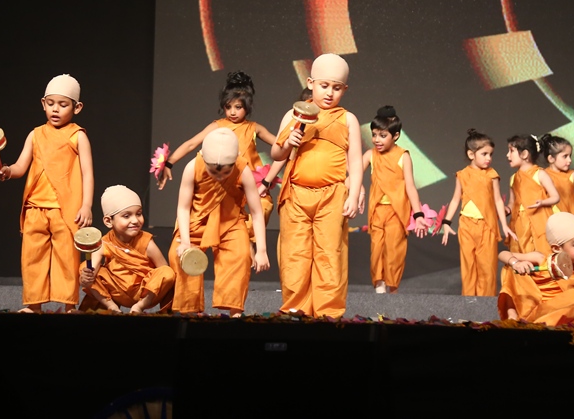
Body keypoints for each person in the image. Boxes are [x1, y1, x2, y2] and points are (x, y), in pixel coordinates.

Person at [0, 74, 95, 313]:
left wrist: (86, 205)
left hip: (64, 210)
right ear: (43, 104)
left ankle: (68, 305)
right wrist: (6, 171)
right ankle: (34, 305)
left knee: (67, 259)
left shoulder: (78, 136)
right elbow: (20, 167)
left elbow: (88, 173)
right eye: (51, 103)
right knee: (32, 258)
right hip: (35, 208)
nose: (55, 109)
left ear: (77, 107)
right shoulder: (36, 134)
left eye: (63, 104)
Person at [271, 53, 362, 318]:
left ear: (344, 89)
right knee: (295, 254)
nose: (330, 93)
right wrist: (288, 143)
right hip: (296, 194)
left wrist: (353, 195)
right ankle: (295, 309)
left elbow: (356, 162)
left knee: (329, 254)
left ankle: (328, 313)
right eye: (324, 86)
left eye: (337, 88)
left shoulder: (348, 119)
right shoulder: (294, 114)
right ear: (310, 83)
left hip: (332, 196)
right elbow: (276, 153)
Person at [156, 70, 285, 244]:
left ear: (247, 107)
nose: (232, 112)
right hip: (225, 181)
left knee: (264, 207)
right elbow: (191, 144)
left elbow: (281, 147)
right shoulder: (218, 125)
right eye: (228, 107)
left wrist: (292, 142)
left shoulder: (254, 128)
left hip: (250, 181)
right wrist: (169, 163)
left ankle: (248, 242)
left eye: (238, 107)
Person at [168, 127, 270, 315]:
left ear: (235, 159)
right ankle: (188, 313)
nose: (220, 176)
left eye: (225, 172)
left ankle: (234, 313)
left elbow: (256, 213)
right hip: (197, 221)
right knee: (179, 256)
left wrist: (261, 250)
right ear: (204, 158)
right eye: (214, 172)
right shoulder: (193, 167)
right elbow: (183, 208)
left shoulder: (242, 169)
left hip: (231, 222)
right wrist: (185, 242)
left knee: (241, 256)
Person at [440, 129, 516, 296]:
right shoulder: (462, 175)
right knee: (468, 266)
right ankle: (468, 303)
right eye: (484, 154)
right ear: (471, 154)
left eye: (491, 154)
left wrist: (504, 225)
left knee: (487, 267)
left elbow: (498, 200)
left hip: (486, 227)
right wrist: (446, 223)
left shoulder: (492, 175)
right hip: (466, 226)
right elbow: (455, 200)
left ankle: (485, 304)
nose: (488, 158)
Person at [361, 105, 428, 294]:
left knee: (394, 251)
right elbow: (353, 177)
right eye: (374, 135)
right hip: (377, 212)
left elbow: (410, 187)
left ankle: (392, 289)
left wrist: (419, 215)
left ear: (396, 135)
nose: (377, 140)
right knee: (376, 250)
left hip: (397, 212)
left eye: (383, 135)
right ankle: (379, 286)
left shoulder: (403, 156)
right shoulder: (370, 155)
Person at [78, 185, 174, 313]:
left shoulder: (146, 242)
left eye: (139, 214)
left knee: (168, 272)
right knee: (84, 267)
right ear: (108, 221)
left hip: (143, 292)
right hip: (115, 291)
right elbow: (91, 273)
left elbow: (164, 271)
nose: (135, 220)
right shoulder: (104, 243)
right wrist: (85, 278)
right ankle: (111, 306)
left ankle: (139, 306)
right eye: (127, 216)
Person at [497, 211, 574, 325]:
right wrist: (516, 263)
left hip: (567, 311)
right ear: (556, 248)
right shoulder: (540, 258)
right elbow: (502, 254)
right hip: (540, 313)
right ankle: (514, 316)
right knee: (511, 267)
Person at [504, 133, 560, 258]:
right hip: (520, 223)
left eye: (511, 151)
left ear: (524, 154)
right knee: (522, 255)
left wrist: (542, 202)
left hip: (539, 220)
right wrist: (504, 210)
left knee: (541, 252)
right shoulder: (513, 178)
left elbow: (555, 197)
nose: (507, 155)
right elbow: (512, 204)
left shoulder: (540, 174)